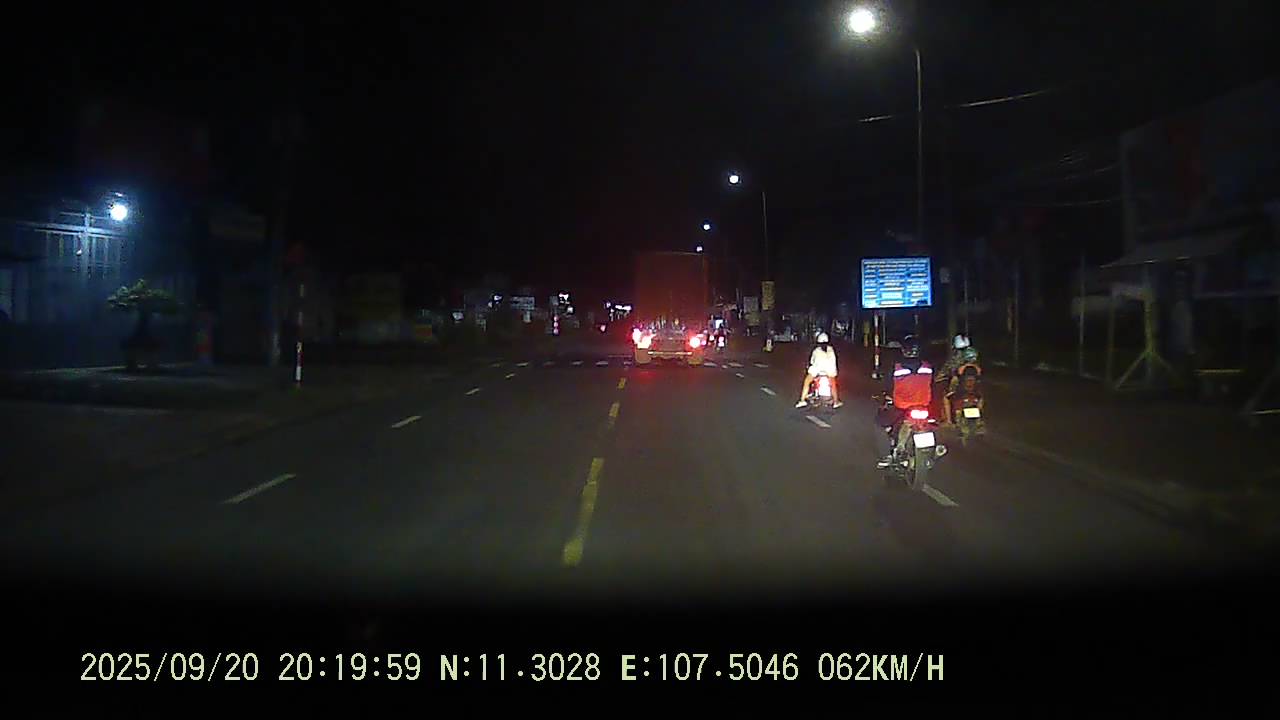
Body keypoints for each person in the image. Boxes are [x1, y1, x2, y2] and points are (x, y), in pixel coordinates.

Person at [876, 334, 934, 468]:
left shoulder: (897, 367)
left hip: (902, 406)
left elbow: (887, 385)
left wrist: (884, 395)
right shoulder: (927, 366)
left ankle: (887, 456)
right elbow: (931, 383)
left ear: (904, 350)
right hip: (924, 404)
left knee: (879, 423)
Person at [796, 332, 841, 408]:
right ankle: (836, 402)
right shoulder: (831, 350)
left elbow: (812, 361)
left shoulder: (816, 351)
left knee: (807, 381)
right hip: (830, 371)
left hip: (817, 370)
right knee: (833, 385)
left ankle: (802, 400)